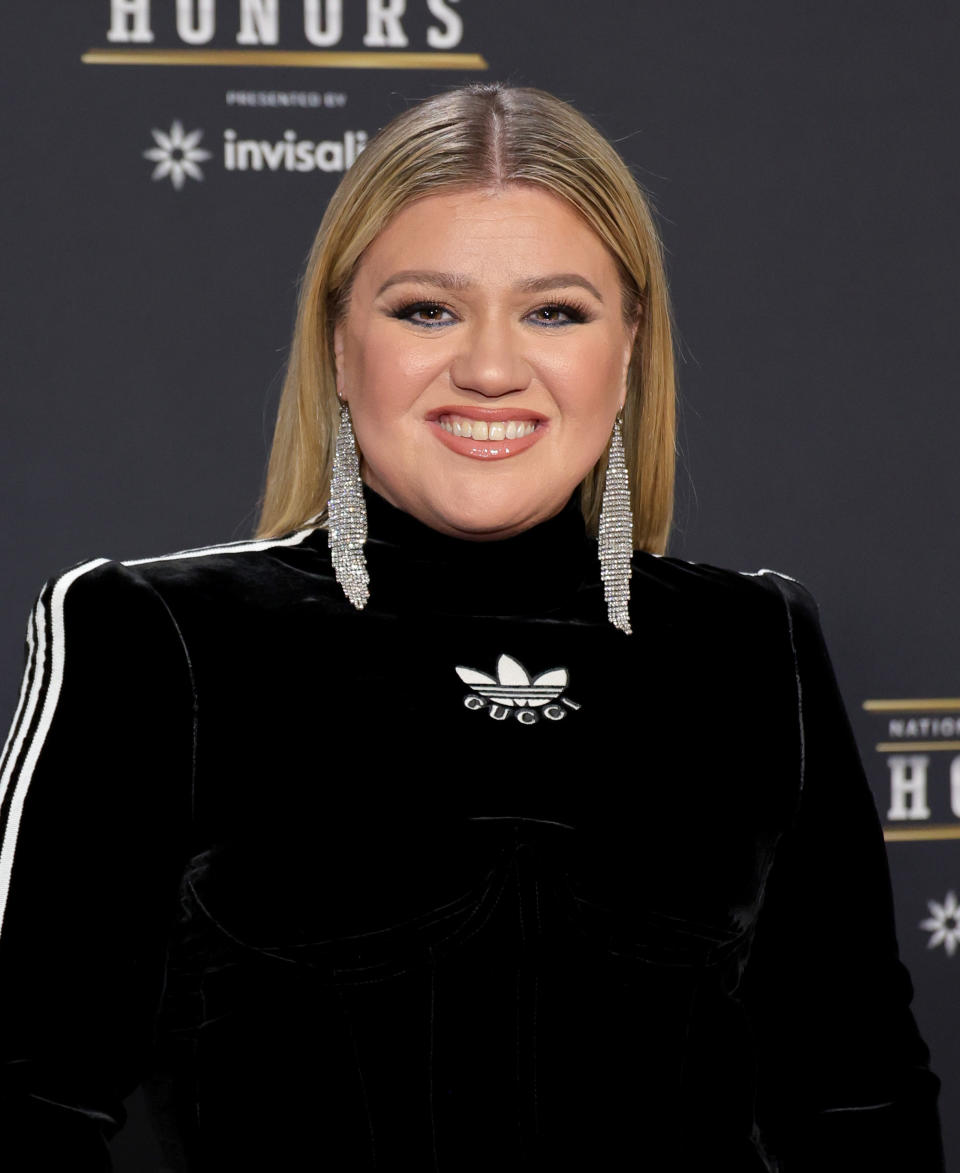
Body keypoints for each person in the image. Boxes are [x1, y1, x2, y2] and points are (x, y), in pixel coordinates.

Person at [0, 82, 944, 1172]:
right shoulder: (154, 638)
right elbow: (34, 1100)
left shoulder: (755, 646)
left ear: (628, 349)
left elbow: (861, 1109)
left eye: (555, 310)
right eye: (426, 310)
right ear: (341, 347)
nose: (491, 367)